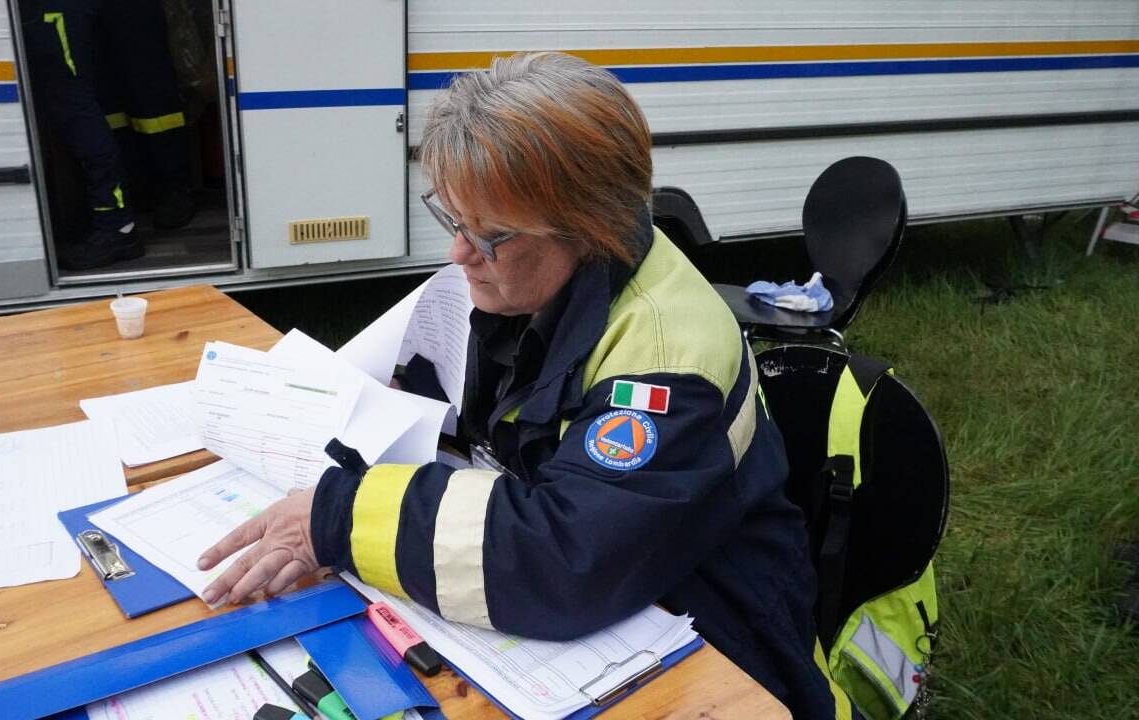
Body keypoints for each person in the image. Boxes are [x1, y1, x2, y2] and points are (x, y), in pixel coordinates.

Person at [197, 52, 843, 718]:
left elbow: (566, 556)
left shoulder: (665, 362)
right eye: (454, 221)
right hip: (619, 617)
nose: (459, 253)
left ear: (589, 224)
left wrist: (339, 520)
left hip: (720, 652)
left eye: (490, 235)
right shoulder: (547, 285)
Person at [20, 0, 196, 271]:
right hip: (89, 12)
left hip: (63, 11)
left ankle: (120, 221)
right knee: (112, 102)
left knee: (83, 102)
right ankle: (137, 200)